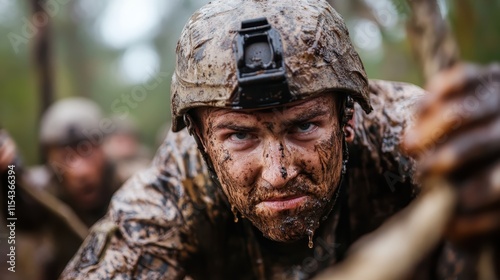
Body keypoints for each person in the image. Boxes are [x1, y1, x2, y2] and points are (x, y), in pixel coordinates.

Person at [60, 0, 500, 279]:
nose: (278, 173)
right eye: (240, 136)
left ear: (348, 117)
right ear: (201, 141)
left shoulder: (410, 137)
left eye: (304, 126)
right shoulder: (172, 192)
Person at [0, 97, 123, 280]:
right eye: (66, 156)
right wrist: (10, 176)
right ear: (50, 159)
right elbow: (22, 218)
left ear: (104, 150)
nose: (80, 171)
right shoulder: (48, 186)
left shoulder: (128, 181)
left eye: (87, 151)